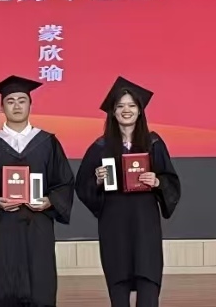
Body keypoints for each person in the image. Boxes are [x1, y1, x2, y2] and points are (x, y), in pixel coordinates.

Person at [75, 77, 181, 307]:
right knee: (118, 279)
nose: (126, 110)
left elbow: (171, 181)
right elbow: (82, 185)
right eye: (120, 106)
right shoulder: (100, 147)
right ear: (113, 112)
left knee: (148, 279)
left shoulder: (153, 143)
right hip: (114, 222)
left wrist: (157, 181)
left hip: (145, 222)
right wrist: (97, 180)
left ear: (140, 111)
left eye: (132, 105)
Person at [0, 75, 75, 307]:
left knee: (41, 284)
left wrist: (49, 201)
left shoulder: (47, 142)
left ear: (30, 104)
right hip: (3, 226)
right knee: (4, 282)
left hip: (38, 225)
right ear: (2, 106)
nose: (16, 106)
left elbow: (64, 182)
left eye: (22, 100)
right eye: (10, 101)